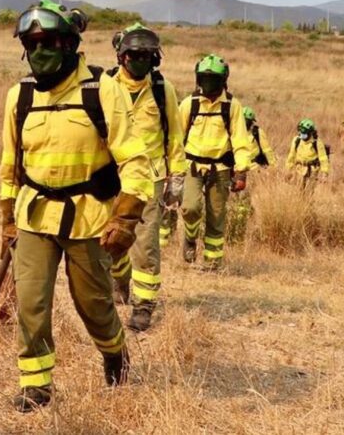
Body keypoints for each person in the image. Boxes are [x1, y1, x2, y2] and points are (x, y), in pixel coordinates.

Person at [0, 0, 152, 411]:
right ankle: (37, 386)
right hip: (34, 216)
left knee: (95, 306)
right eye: (31, 45)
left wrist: (126, 217)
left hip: (90, 220)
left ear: (69, 43)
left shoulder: (102, 90)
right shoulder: (20, 95)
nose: (39, 52)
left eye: (47, 42)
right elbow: (10, 165)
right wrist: (6, 220)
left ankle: (115, 354)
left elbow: (136, 160)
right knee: (31, 303)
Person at [106, 23, 187, 332]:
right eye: (134, 55)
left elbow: (174, 137)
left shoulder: (162, 90)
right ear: (121, 56)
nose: (139, 61)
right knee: (111, 239)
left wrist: (176, 178)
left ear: (155, 59)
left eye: (146, 56)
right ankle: (119, 281)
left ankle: (144, 304)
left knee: (146, 244)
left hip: (149, 179)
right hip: (113, 176)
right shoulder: (105, 87)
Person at [179, 54, 254, 269]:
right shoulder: (189, 104)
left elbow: (240, 141)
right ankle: (190, 237)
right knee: (190, 208)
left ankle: (212, 263)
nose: (208, 84)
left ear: (224, 80)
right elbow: (176, 139)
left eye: (213, 80)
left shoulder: (232, 106)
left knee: (216, 215)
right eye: (204, 78)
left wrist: (241, 172)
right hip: (192, 166)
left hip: (220, 168)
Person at [285, 119, 329, 190]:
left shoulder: (317, 143)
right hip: (299, 169)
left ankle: (307, 201)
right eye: (301, 133)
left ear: (311, 133)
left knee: (308, 192)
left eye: (304, 133)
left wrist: (325, 174)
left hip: (312, 170)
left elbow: (323, 159)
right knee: (298, 190)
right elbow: (291, 156)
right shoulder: (297, 140)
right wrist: (288, 170)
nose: (302, 135)